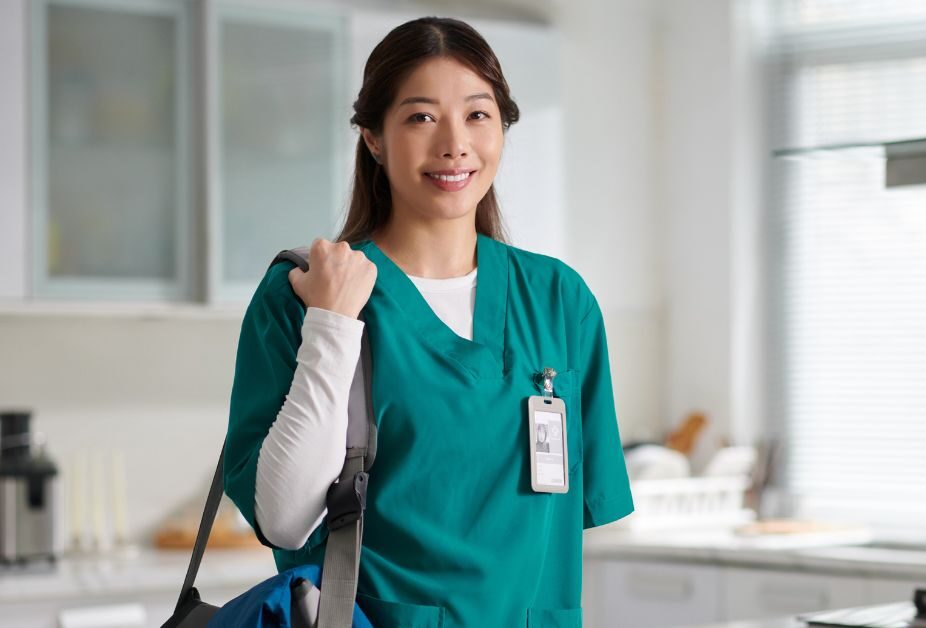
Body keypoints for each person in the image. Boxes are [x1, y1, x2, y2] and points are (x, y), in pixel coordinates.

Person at [221, 16, 634, 627]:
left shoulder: (559, 300)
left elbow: (572, 524)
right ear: (374, 137)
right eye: (420, 117)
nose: (454, 145)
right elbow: (283, 519)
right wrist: (332, 327)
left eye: (477, 115)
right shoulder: (305, 293)